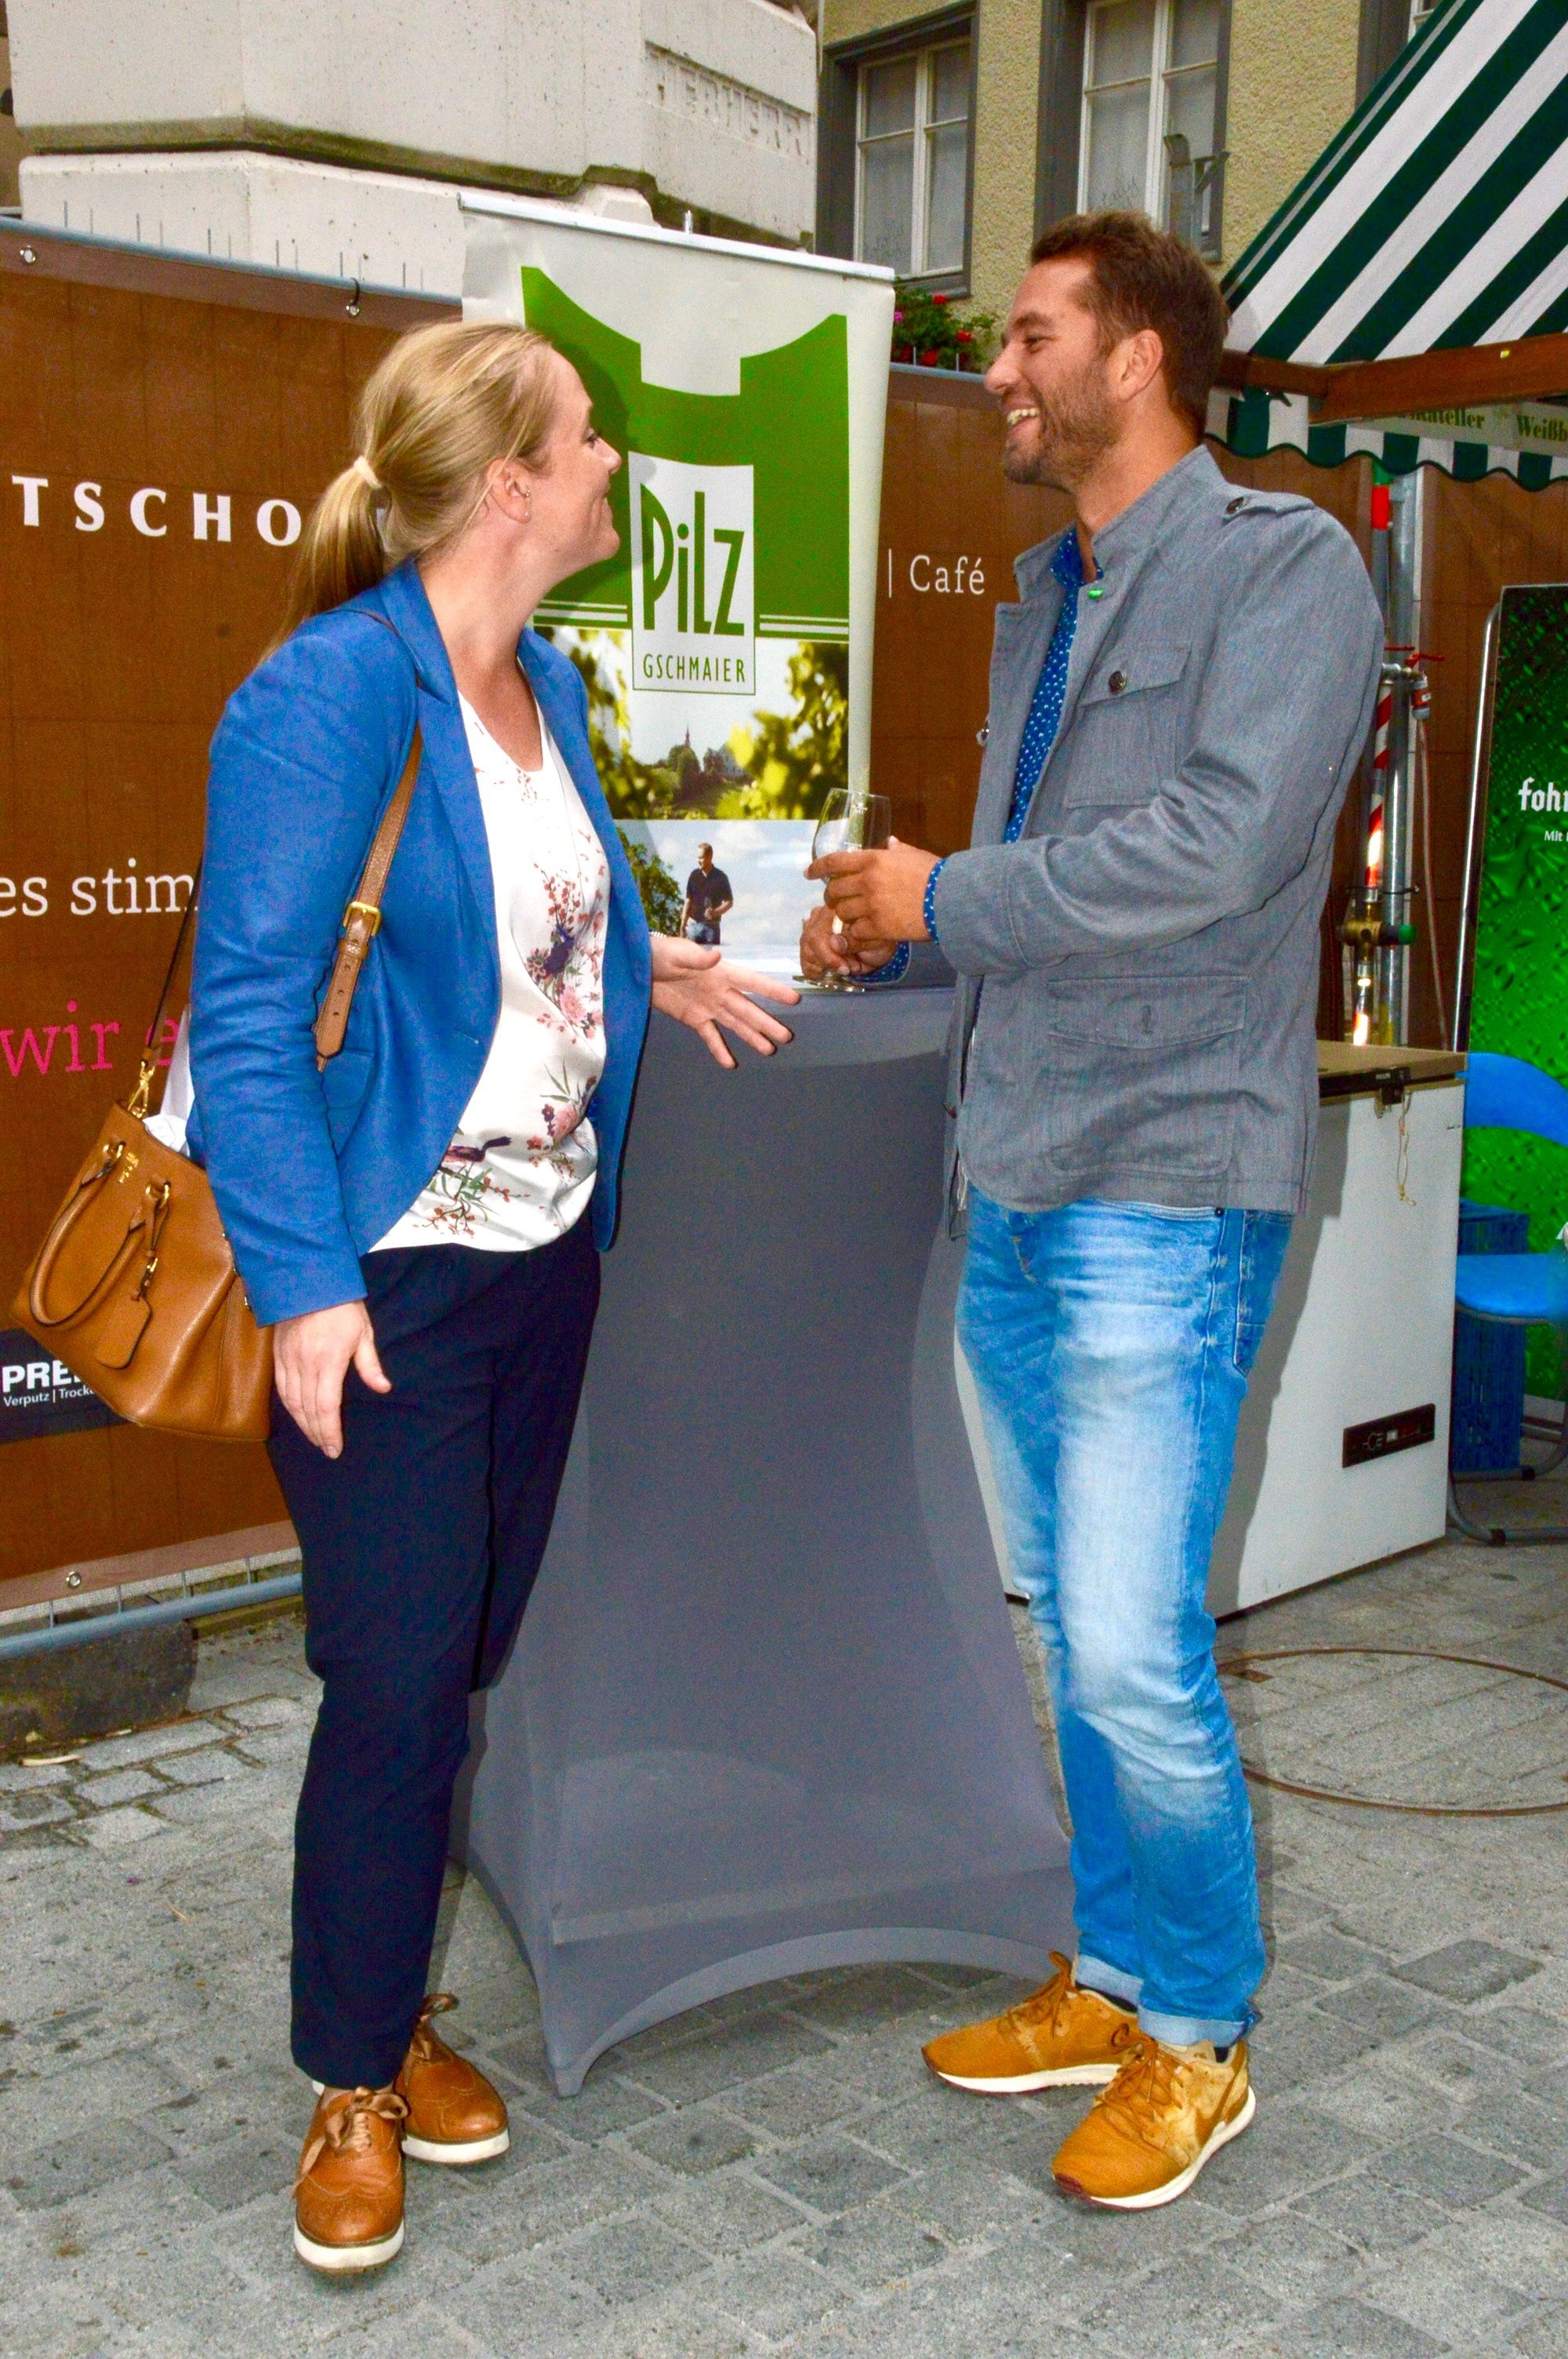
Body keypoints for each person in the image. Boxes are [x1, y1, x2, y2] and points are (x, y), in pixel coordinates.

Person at [189, 319, 797, 2274]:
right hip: (384, 1276)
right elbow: (247, 1024)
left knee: (453, 1660)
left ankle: (391, 1999)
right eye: (588, 436)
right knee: (392, 1685)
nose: (613, 460)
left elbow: (541, 910)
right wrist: (302, 1286)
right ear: (511, 482)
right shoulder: (326, 694)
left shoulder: (546, 679)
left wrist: (647, 970)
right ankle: (347, 2075)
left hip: (543, 1265)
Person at [802, 211, 1381, 2209]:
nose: (1000, 372)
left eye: (1033, 335)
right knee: (1069, 1625)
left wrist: (946, 893)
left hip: (1166, 1176)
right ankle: (1116, 1972)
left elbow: (1219, 846)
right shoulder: (1047, 591)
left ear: (1134, 355)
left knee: (1133, 1646)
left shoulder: (1285, 566)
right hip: (1019, 1169)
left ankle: (1199, 2033)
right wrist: (902, 933)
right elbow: (1049, 881)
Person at [681, 841, 733, 944]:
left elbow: (729, 902)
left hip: (712, 928)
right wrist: (683, 925)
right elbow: (688, 901)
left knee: (711, 955)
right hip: (694, 927)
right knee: (693, 954)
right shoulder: (694, 876)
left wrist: (715, 912)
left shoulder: (720, 877)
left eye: (701, 858)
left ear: (710, 857)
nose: (698, 861)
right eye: (698, 858)